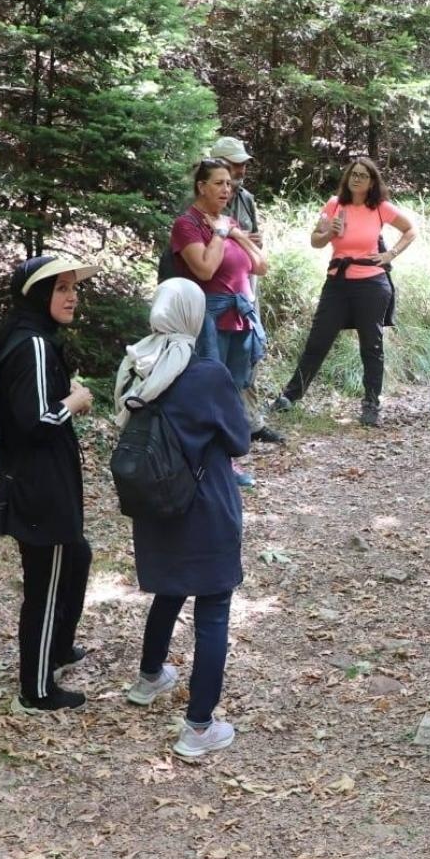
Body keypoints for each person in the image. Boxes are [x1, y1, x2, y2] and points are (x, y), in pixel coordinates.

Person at [114, 279, 251, 759]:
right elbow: (239, 440)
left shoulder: (135, 364)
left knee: (170, 589)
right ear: (195, 317)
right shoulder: (206, 374)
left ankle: (150, 677)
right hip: (205, 504)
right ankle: (198, 726)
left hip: (153, 503)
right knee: (212, 610)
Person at [0, 255, 101, 711]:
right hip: (39, 483)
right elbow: (36, 420)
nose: (72, 295)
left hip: (39, 476)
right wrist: (74, 401)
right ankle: (36, 690)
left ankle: (56, 649)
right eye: (59, 288)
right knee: (45, 583)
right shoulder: (33, 344)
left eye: (72, 286)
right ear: (37, 296)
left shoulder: (28, 338)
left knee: (75, 556)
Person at [272, 157, 417, 427]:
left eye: (363, 175)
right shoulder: (334, 204)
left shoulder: (380, 208)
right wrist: (329, 233)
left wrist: (390, 254)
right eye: (353, 174)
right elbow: (315, 241)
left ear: (372, 182)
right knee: (318, 340)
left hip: (372, 283)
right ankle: (289, 397)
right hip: (337, 282)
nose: (357, 178)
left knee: (371, 346)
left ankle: (371, 404)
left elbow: (410, 230)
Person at [167, 159, 268, 482]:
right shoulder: (187, 224)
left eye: (228, 183)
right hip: (207, 318)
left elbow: (260, 266)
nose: (226, 189)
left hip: (239, 316)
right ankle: (205, 461)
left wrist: (236, 234)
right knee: (208, 390)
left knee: (234, 389)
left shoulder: (228, 221)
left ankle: (224, 460)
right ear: (201, 187)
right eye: (218, 183)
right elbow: (206, 269)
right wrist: (221, 235)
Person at [210, 136, 284, 445]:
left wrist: (252, 242)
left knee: (249, 352)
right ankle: (221, 424)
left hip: (246, 283)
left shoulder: (246, 199)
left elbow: (255, 241)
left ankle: (251, 422)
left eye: (242, 164)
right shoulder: (204, 198)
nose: (240, 170)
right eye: (234, 163)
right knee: (216, 355)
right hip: (215, 286)